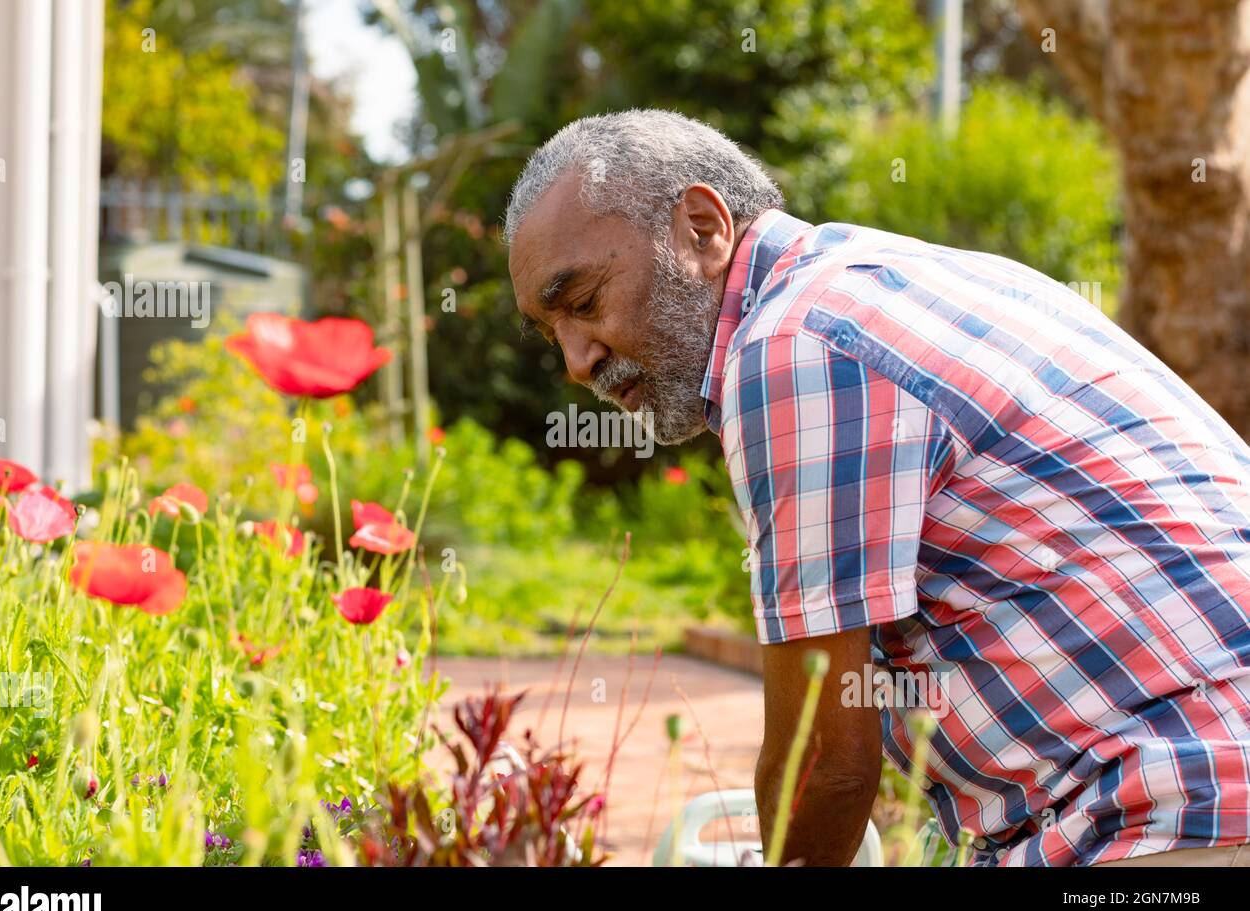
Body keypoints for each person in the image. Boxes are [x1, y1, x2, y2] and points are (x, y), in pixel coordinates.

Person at [505, 108, 1250, 867]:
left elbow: (824, 763)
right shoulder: (909, 278)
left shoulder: (794, 347)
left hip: (1182, 810)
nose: (575, 360)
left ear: (702, 227)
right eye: (551, 328)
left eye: (586, 301)